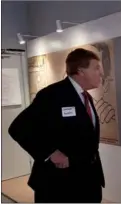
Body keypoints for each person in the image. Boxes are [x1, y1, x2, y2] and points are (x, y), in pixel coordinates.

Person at [8, 48, 105, 202]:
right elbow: (18, 128)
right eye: (96, 68)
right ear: (81, 71)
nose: (101, 73)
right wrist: (50, 153)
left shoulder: (85, 97)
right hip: (59, 183)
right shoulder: (52, 94)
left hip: (87, 180)